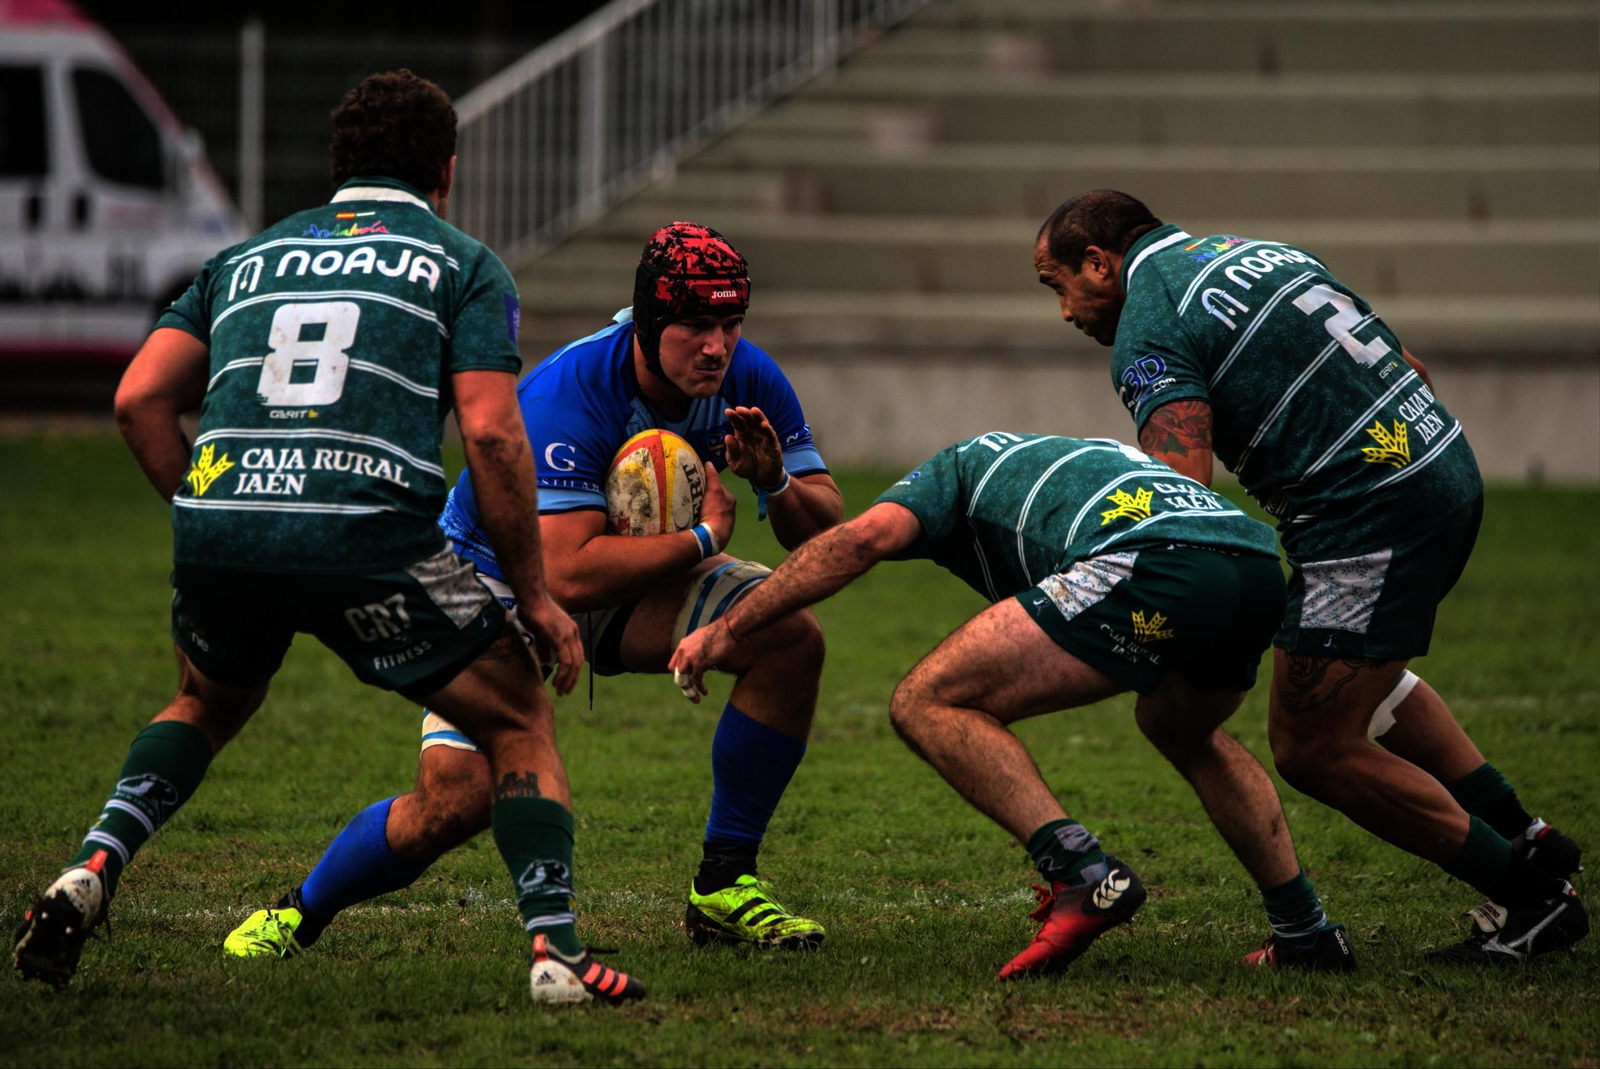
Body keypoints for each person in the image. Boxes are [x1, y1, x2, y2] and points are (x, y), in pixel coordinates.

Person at [11, 71, 643, 1004]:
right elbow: (494, 430)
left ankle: (94, 865)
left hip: (226, 525)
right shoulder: (461, 263)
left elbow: (138, 399)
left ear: (337, 166)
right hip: (365, 531)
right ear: (447, 170)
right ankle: (556, 954)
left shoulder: (246, 258)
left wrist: (208, 510)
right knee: (516, 718)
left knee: (202, 704)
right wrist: (539, 598)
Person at [223, 221, 844, 959]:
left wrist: (774, 478)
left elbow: (824, 523)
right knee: (457, 799)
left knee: (788, 635)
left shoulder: (747, 377)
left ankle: (724, 885)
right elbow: (564, 572)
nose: (717, 345)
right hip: (493, 578)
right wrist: (706, 538)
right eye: (696, 325)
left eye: (731, 323)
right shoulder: (571, 390)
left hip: (626, 571)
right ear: (648, 321)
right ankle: (299, 911)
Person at [1031, 189, 1586, 963]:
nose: (1065, 312)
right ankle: (1530, 837)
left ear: (1099, 263)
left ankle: (1534, 898)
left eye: (1057, 285)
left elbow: (1183, 485)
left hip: (1367, 517)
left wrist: (1123, 575)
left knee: (1310, 742)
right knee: (1361, 674)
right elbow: (1408, 363)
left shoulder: (1149, 323)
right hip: (1441, 462)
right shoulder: (1258, 252)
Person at [672, 431, 1356, 977]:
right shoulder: (1040, 461)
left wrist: (728, 626)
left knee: (926, 698)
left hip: (1155, 561)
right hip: (1255, 564)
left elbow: (857, 540)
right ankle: (1305, 931)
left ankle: (1081, 871)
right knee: (1180, 725)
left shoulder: (952, 472)